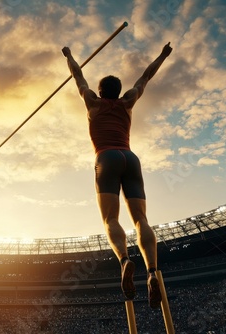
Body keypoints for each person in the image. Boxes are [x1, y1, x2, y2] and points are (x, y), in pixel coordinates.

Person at [62, 42, 172, 308]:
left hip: (106, 157)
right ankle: (152, 272)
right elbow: (146, 76)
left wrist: (69, 55)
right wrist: (162, 55)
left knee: (110, 218)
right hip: (130, 158)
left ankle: (124, 260)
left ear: (99, 91)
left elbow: (78, 75)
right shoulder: (128, 102)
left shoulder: (92, 103)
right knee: (141, 219)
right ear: (119, 90)